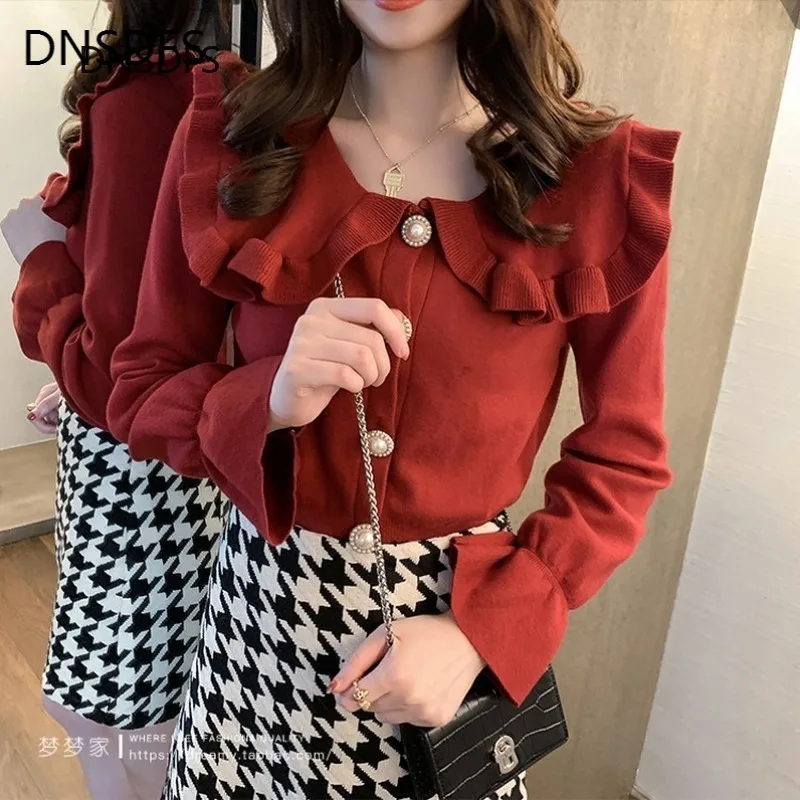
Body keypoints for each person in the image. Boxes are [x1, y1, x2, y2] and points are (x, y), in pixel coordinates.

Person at [108, 0, 681, 797]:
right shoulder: (238, 137)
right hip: (254, 648)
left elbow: (625, 457)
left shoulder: (593, 177)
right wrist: (268, 398)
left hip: (444, 665)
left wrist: (484, 632)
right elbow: (143, 385)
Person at [1, 2, 229, 797]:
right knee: (147, 704)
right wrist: (73, 374)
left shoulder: (146, 97)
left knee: (110, 718)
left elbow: (124, 374)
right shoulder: (218, 84)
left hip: (137, 468)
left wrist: (39, 261)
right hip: (185, 458)